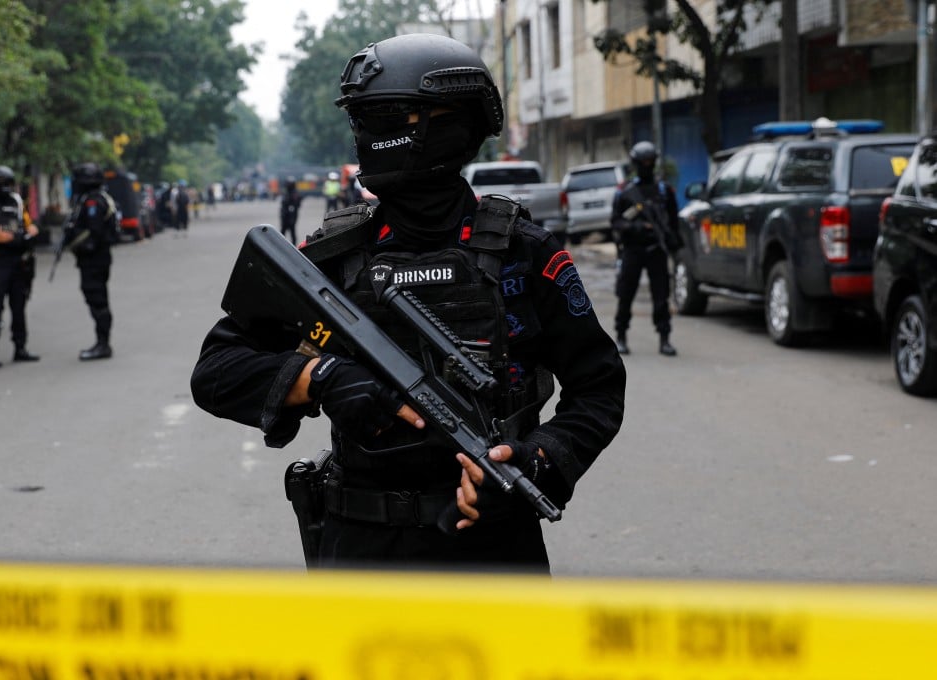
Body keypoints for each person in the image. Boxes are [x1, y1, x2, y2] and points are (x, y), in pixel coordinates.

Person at [191, 33, 625, 574]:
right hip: (362, 549)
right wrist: (321, 378)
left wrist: (536, 463)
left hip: (494, 546)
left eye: (385, 116)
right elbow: (215, 372)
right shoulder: (331, 259)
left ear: (450, 125)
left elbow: (599, 387)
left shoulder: (523, 254)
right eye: (363, 118)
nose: (366, 134)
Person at [610, 141, 682, 357]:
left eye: (650, 162)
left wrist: (674, 244)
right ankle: (621, 335)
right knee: (626, 294)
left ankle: (664, 338)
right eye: (643, 162)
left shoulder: (663, 190)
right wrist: (637, 227)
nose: (647, 165)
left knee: (661, 296)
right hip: (633, 248)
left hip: (656, 249)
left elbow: (673, 222)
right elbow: (615, 222)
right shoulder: (624, 192)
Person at [0, 165, 40, 368]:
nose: (3, 187)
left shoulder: (17, 202)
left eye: (7, 183)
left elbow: (29, 227)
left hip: (18, 262)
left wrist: (27, 233)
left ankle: (20, 348)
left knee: (19, 307)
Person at [63, 162, 118, 361]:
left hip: (94, 260)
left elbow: (94, 234)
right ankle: (102, 342)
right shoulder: (92, 199)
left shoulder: (93, 202)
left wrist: (78, 243)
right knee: (95, 298)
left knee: (98, 300)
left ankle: (103, 344)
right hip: (95, 260)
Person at [278, 179, 302, 244]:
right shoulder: (286, 193)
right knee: (283, 232)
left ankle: (293, 246)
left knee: (292, 232)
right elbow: (283, 204)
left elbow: (297, 204)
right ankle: (280, 245)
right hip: (285, 216)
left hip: (291, 216)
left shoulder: (295, 193)